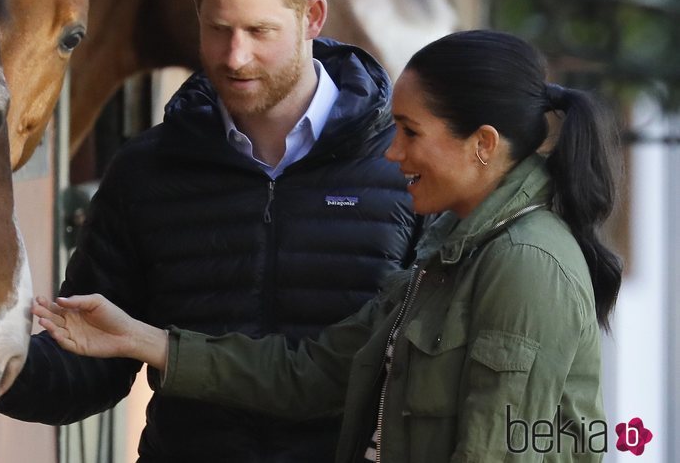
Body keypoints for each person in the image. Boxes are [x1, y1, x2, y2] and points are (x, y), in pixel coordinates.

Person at [33, 29, 624, 463]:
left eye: (411, 132)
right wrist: (139, 339)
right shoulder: (453, 250)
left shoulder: (524, 264)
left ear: (482, 144)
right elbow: (311, 373)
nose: (392, 153)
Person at [0, 0, 421, 460]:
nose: (235, 57)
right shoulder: (147, 172)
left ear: (313, 17)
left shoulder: (402, 167)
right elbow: (92, 363)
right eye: (217, 29)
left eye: (258, 31)